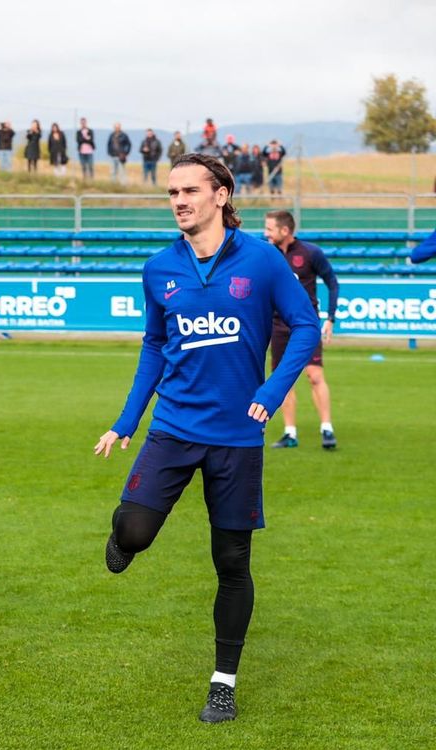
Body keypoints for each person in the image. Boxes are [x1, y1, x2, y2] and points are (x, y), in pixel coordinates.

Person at [93, 154, 320, 724]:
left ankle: (223, 682)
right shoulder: (158, 267)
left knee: (232, 561)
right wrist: (127, 420)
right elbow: (153, 345)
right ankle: (125, 537)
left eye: (190, 190)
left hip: (238, 438)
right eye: (172, 192)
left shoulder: (263, 261)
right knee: (134, 531)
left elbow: (306, 327)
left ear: (221, 194)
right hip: (172, 428)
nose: (179, 200)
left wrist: (269, 393)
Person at [263, 210, 339, 450]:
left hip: (305, 326)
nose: (266, 233)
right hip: (277, 326)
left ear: (284, 231)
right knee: (283, 379)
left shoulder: (310, 253)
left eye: (270, 229)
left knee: (314, 375)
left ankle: (327, 428)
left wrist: (330, 318)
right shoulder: (266, 255)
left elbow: (332, 283)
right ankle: (290, 433)